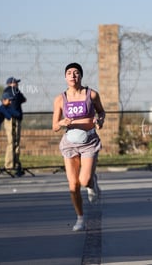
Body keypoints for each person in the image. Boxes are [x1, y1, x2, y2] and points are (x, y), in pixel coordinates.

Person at [52, 62, 105, 232]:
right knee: (73, 185)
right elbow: (54, 126)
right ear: (65, 77)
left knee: (84, 180)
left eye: (76, 73)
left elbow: (101, 112)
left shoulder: (92, 94)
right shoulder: (60, 99)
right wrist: (61, 122)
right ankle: (80, 218)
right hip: (70, 143)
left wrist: (99, 121)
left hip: (89, 142)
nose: (73, 76)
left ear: (81, 76)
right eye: (69, 73)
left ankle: (92, 182)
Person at [3, 77, 26, 174]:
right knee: (11, 141)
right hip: (10, 118)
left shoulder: (17, 91)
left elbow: (23, 99)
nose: (17, 84)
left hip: (17, 117)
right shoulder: (8, 90)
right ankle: (9, 165)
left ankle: (16, 163)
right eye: (15, 82)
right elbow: (6, 101)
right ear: (10, 83)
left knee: (16, 142)